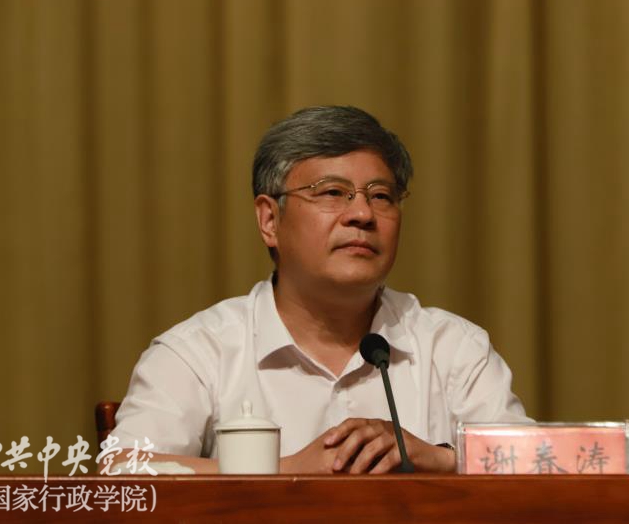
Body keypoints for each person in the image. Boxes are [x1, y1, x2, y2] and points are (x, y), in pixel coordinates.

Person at [110, 106, 529, 474]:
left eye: (381, 196)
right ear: (269, 220)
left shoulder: (453, 348)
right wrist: (287, 471)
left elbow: (538, 466)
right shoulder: (201, 352)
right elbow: (123, 472)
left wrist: (441, 459)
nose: (362, 213)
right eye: (332, 192)